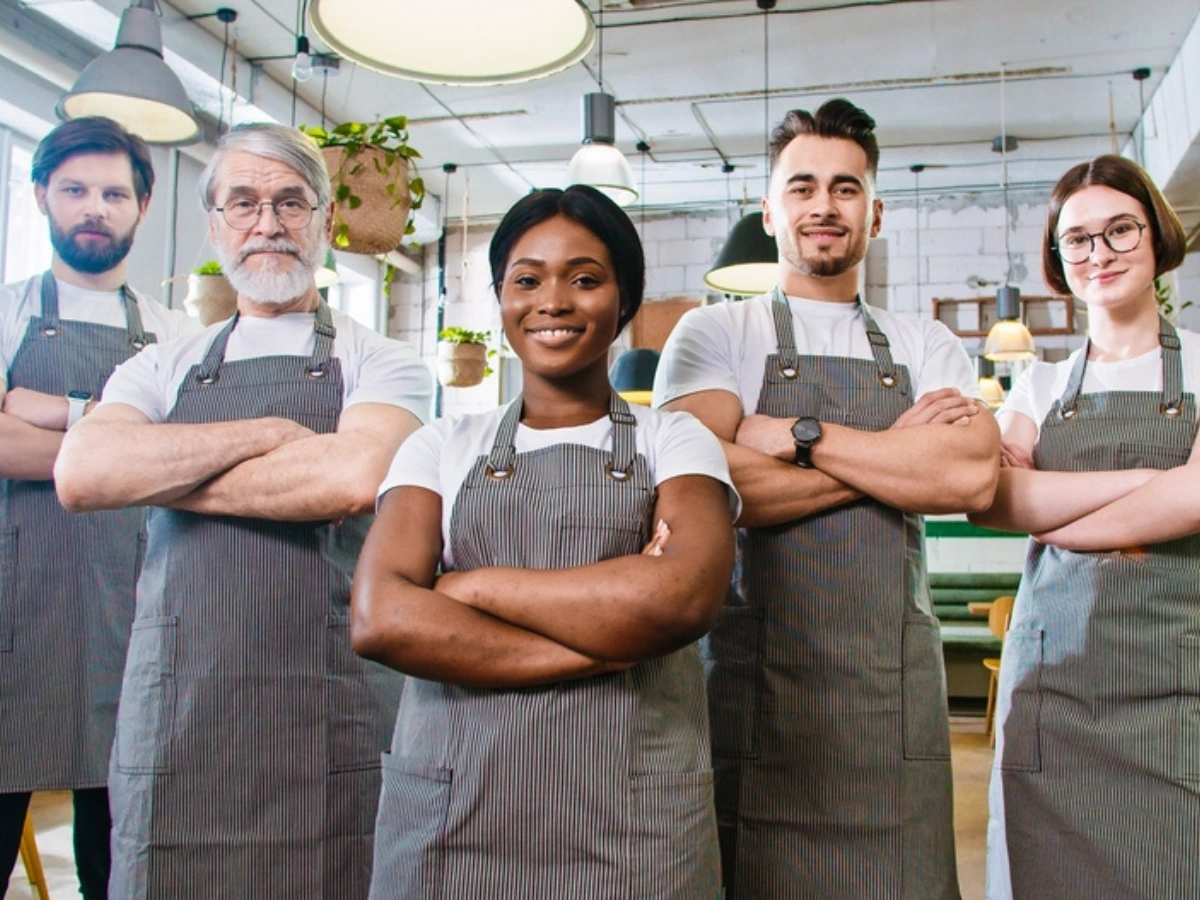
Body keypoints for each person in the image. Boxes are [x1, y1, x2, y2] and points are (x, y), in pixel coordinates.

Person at [53, 122, 433, 899]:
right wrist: (271, 435)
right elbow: (85, 470)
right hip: (181, 717)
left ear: (326, 222)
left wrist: (165, 471)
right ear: (214, 224)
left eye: (291, 201)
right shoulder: (158, 363)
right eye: (245, 201)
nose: (268, 223)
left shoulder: (384, 362)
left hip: (327, 713)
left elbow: (349, 476)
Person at [653, 98, 1000, 899]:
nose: (823, 205)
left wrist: (799, 434)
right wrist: (896, 455)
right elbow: (703, 488)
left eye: (846, 189)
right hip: (756, 689)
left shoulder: (925, 342)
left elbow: (969, 480)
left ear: (874, 215)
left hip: (890, 700)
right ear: (770, 210)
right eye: (802, 186)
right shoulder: (713, 333)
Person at [351, 184, 736, 899]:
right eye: (526, 280)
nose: (553, 301)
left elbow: (682, 596)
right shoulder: (442, 443)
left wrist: (470, 589)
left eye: (585, 279)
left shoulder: (675, 439)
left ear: (624, 301)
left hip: (633, 826)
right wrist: (614, 634)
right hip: (454, 813)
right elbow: (381, 618)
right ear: (501, 301)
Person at [969, 155, 1200, 898]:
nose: (1098, 253)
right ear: (1059, 259)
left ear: (1156, 237)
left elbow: (1196, 498)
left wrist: (1063, 519)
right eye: (1077, 240)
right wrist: (1145, 485)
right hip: (1054, 691)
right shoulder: (1035, 382)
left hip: (1176, 688)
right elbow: (997, 500)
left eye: (1119, 231)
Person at [0, 116, 200, 899]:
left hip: (130, 617)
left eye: (114, 193)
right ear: (43, 194)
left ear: (141, 207)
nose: (95, 207)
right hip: (15, 617)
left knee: (120, 859)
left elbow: (178, 462)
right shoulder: (9, 311)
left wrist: (53, 411)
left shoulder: (173, 336)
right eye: (76, 190)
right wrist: (117, 446)